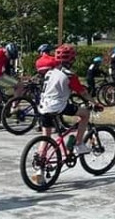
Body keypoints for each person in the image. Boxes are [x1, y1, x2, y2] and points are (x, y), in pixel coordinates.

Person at [32, 44, 103, 186]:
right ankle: (78, 143)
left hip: (43, 106)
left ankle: (39, 169)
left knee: (46, 137)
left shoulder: (50, 72)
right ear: (72, 59)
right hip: (58, 106)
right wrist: (94, 103)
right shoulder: (70, 75)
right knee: (85, 114)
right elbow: (82, 92)